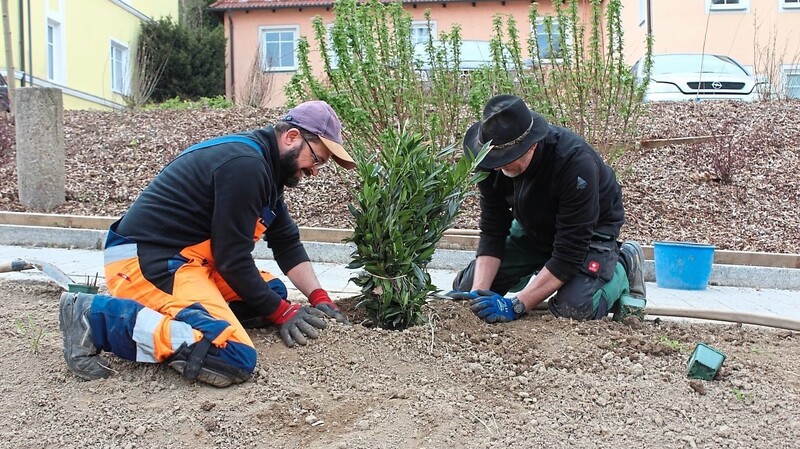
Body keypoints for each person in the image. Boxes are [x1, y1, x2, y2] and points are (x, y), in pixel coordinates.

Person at [59, 100, 355, 387]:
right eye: (316, 159)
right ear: (292, 137)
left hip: (187, 262)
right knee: (233, 356)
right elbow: (232, 260)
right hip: (147, 263)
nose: (315, 171)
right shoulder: (246, 167)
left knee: (270, 293)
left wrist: (319, 297)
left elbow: (285, 241)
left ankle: (188, 316)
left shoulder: (266, 171)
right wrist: (283, 313)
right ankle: (94, 317)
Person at [448, 94, 646, 323]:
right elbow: (494, 229)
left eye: (506, 158)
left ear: (532, 144)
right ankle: (534, 269)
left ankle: (624, 263)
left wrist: (517, 305)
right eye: (494, 159)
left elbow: (569, 253)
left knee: (574, 310)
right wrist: (477, 294)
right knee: (465, 288)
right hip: (534, 227)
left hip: (589, 235)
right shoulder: (490, 163)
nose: (499, 166)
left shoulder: (575, 163)